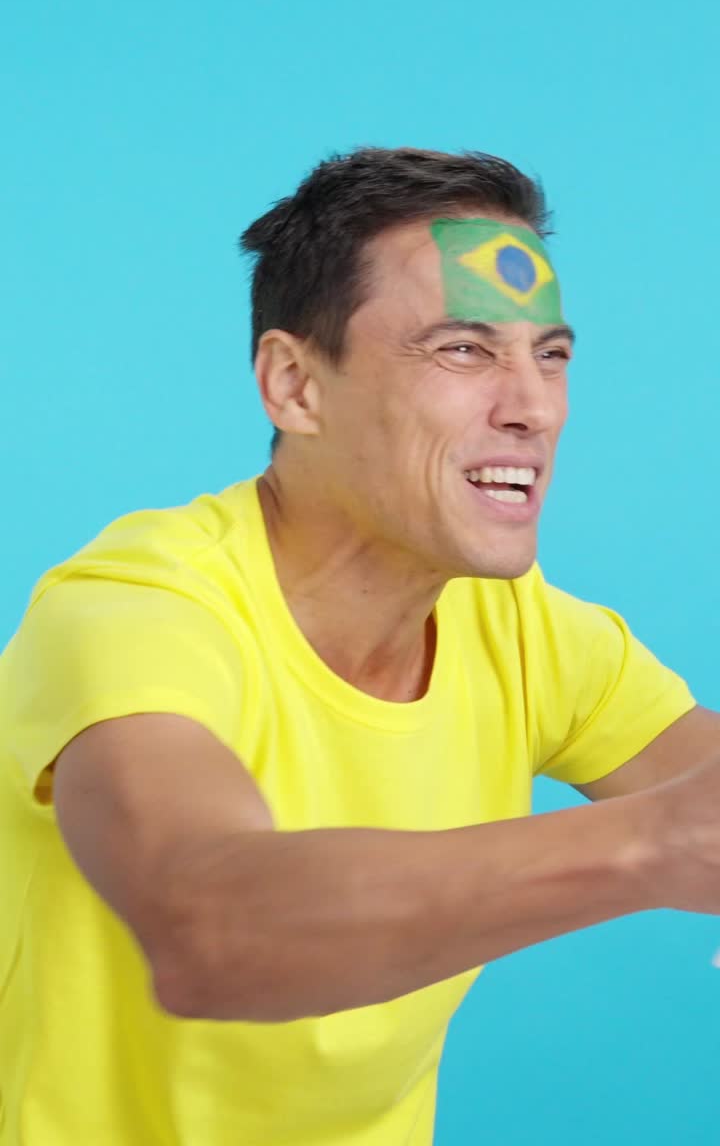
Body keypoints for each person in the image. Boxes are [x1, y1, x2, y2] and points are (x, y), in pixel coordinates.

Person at [1, 147, 719, 1146]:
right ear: (294, 384)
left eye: (550, 354)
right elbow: (211, 929)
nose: (535, 406)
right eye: (463, 351)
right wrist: (653, 844)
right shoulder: (133, 608)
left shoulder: (524, 630)